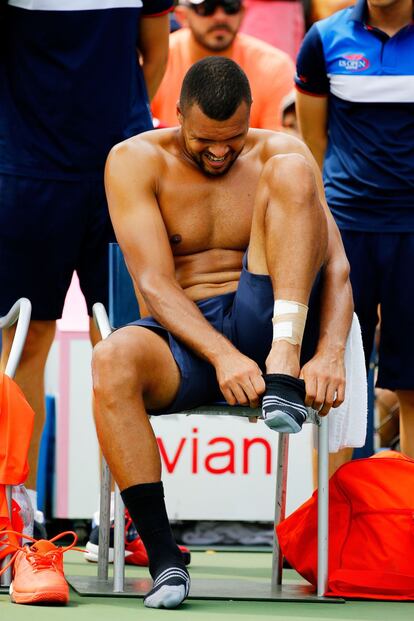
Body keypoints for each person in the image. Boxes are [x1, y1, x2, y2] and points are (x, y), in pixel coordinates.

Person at [92, 57, 353, 609]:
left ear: (250, 117)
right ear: (177, 114)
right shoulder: (133, 160)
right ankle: (166, 562)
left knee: (292, 167)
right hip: (183, 331)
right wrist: (223, 357)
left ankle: (284, 362)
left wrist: (329, 351)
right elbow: (155, 286)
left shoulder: (279, 154)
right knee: (111, 358)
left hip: (267, 320)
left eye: (232, 138)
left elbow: (336, 269)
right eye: (203, 139)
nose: (219, 151)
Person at [0, 0, 172, 518]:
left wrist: (123, 137)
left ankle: (125, 517)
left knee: (129, 342)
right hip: (26, 174)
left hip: (120, 174)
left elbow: (155, 53)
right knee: (25, 341)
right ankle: (17, 512)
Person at [295, 0, 414, 458]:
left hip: (411, 234)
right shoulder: (323, 40)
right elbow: (314, 142)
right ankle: (331, 521)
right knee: (332, 381)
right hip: (347, 232)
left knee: (412, 383)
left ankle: (403, 521)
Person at [151, 0, 295, 130]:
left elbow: (278, 147)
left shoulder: (274, 67)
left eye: (230, 6)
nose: (220, 17)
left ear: (243, 12)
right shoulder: (155, 59)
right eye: (207, 7)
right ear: (183, 16)